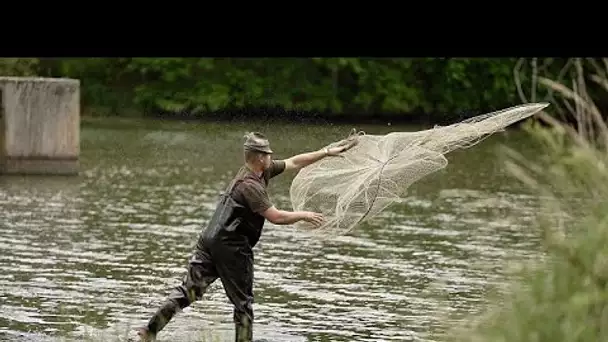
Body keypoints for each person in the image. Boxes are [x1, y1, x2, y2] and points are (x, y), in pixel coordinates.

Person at [135, 131, 359, 342]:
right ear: (260, 158)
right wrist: (306, 215)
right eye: (268, 154)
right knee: (243, 304)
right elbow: (276, 217)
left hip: (210, 240)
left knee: (189, 291)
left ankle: (148, 331)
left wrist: (326, 152)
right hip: (231, 247)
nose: (272, 157)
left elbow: (294, 162)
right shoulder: (251, 187)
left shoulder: (256, 172)